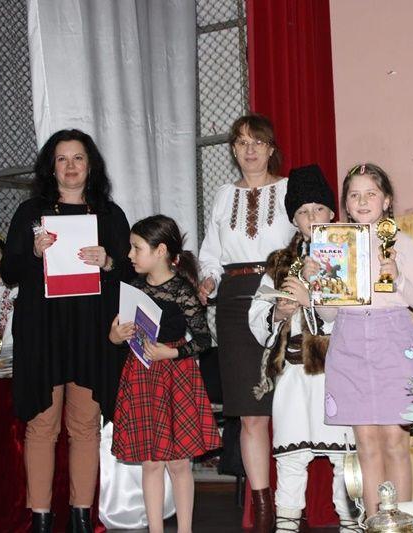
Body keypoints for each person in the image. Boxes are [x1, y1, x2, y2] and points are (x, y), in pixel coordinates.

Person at [1, 129, 131, 533]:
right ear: (50, 167)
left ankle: (81, 518)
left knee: (85, 427)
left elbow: (131, 273)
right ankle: (41, 519)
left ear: (90, 165)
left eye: (78, 158)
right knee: (42, 426)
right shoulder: (30, 213)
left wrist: (108, 261)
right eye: (62, 158)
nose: (71, 166)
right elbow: (8, 271)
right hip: (43, 333)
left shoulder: (110, 215)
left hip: (91, 333)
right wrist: (33, 252)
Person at [197, 114, 296, 531]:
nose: (249, 150)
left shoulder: (290, 189)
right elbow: (210, 252)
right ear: (234, 151)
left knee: (289, 409)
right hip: (235, 303)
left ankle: (292, 505)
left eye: (257, 142)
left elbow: (307, 239)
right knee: (252, 415)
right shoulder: (223, 195)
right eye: (241, 143)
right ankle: (263, 510)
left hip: (282, 296)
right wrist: (208, 278)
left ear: (271, 148)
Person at [248, 165, 359, 532]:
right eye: (303, 211)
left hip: (335, 372)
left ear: (332, 213)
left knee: (345, 457)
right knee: (291, 458)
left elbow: (352, 317)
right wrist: (279, 312)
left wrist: (312, 298)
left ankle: (351, 523)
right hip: (294, 372)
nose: (312, 218)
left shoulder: (348, 254)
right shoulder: (280, 264)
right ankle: (286, 525)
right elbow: (257, 315)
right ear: (293, 220)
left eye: (318, 209)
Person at [320, 163, 413, 515]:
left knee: (395, 441)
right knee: (366, 444)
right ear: (345, 204)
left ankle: (401, 523)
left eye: (371, 193)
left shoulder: (402, 243)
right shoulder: (335, 245)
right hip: (349, 344)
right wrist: (318, 287)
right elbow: (328, 315)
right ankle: (375, 523)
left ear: (386, 200)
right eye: (354, 195)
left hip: (392, 343)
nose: (362, 201)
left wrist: (398, 277)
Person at [109, 215, 220, 533]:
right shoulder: (134, 288)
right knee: (151, 461)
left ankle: (184, 529)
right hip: (142, 374)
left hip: (175, 375)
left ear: (159, 251)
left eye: (136, 248)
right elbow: (117, 334)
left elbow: (203, 340)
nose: (130, 255)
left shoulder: (182, 291)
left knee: (179, 461)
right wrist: (116, 336)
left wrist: (170, 352)